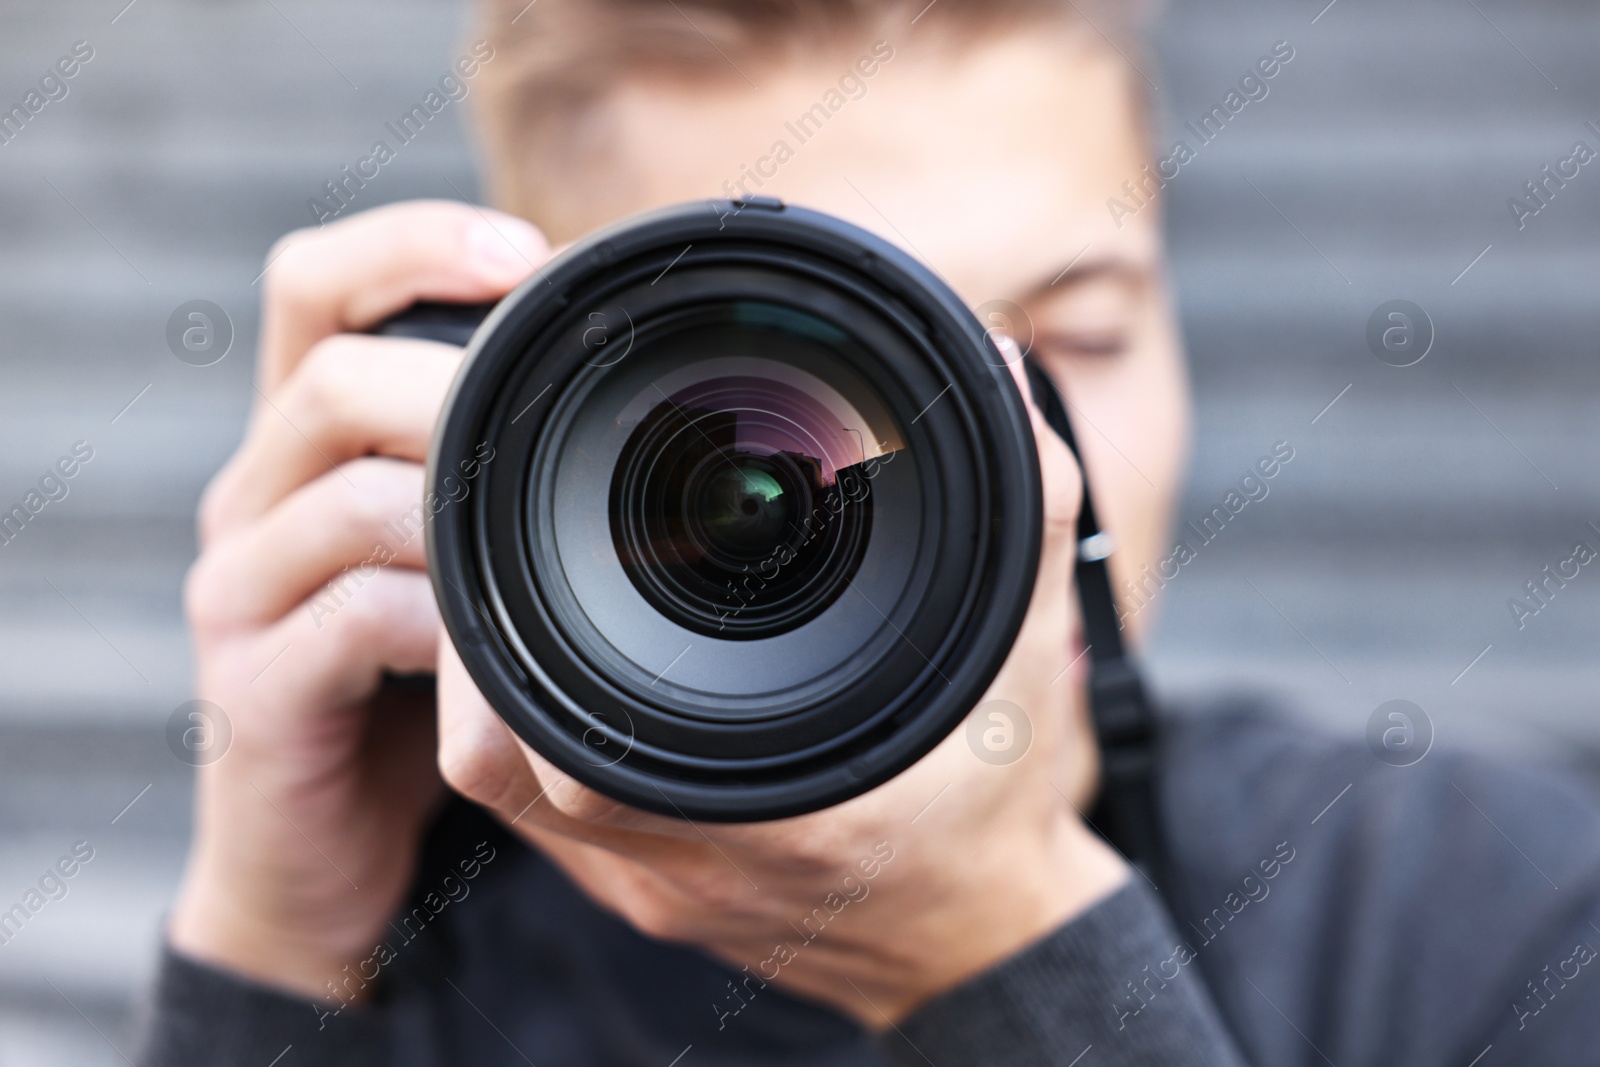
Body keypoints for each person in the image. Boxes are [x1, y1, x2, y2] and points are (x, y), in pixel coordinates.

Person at [137, 1, 1600, 1064]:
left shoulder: (1487, 912)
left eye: (1068, 336)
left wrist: (1015, 960)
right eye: (799, 378)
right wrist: (272, 955)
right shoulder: (415, 949)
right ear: (532, 411)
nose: (1014, 466)